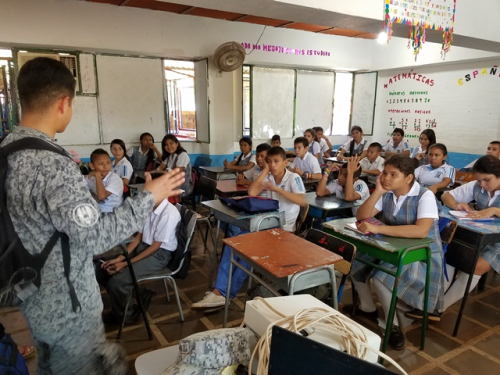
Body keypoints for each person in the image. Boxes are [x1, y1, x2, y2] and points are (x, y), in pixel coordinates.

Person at [1, 57, 185, 374]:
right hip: (68, 306)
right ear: (63, 103)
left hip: (32, 294)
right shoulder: (54, 163)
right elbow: (95, 235)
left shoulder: (8, 150)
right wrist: (149, 197)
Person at [344, 155, 444, 350]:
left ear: (408, 178)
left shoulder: (424, 195)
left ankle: (393, 326)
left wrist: (380, 229)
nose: (386, 178)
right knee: (354, 261)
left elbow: (421, 231)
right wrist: (378, 191)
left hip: (421, 254)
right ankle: (367, 307)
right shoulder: (388, 193)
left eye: (393, 175)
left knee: (382, 278)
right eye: (385, 173)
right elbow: (362, 215)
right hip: (393, 247)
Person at [191, 146, 306, 309]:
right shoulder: (269, 177)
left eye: (276, 162)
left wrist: (277, 189)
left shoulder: (293, 178)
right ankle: (219, 291)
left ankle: (224, 293)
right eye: (269, 161)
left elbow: (302, 201)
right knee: (234, 243)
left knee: (248, 251)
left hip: (284, 232)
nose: (272, 165)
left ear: (285, 163)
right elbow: (252, 192)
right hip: (266, 227)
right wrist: (265, 171)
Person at [96, 198, 181, 323]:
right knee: (100, 270)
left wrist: (125, 264)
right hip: (144, 247)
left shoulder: (169, 213)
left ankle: (128, 314)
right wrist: (121, 257)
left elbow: (155, 247)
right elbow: (138, 238)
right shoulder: (149, 207)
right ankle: (138, 293)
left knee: (117, 283)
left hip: (159, 255)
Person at [436, 155, 500, 314]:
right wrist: (456, 205)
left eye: (487, 180)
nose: (482, 185)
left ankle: (440, 308)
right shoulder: (477, 186)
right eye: (479, 181)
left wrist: (494, 210)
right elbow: (445, 195)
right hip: (481, 235)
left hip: (497, 242)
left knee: (476, 266)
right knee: (453, 255)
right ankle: (434, 301)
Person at [86, 148, 124, 213]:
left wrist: (97, 175)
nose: (105, 166)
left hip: (113, 213)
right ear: (92, 166)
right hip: (97, 210)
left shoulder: (115, 179)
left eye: (108, 163)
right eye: (101, 164)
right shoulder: (90, 177)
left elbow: (102, 196)